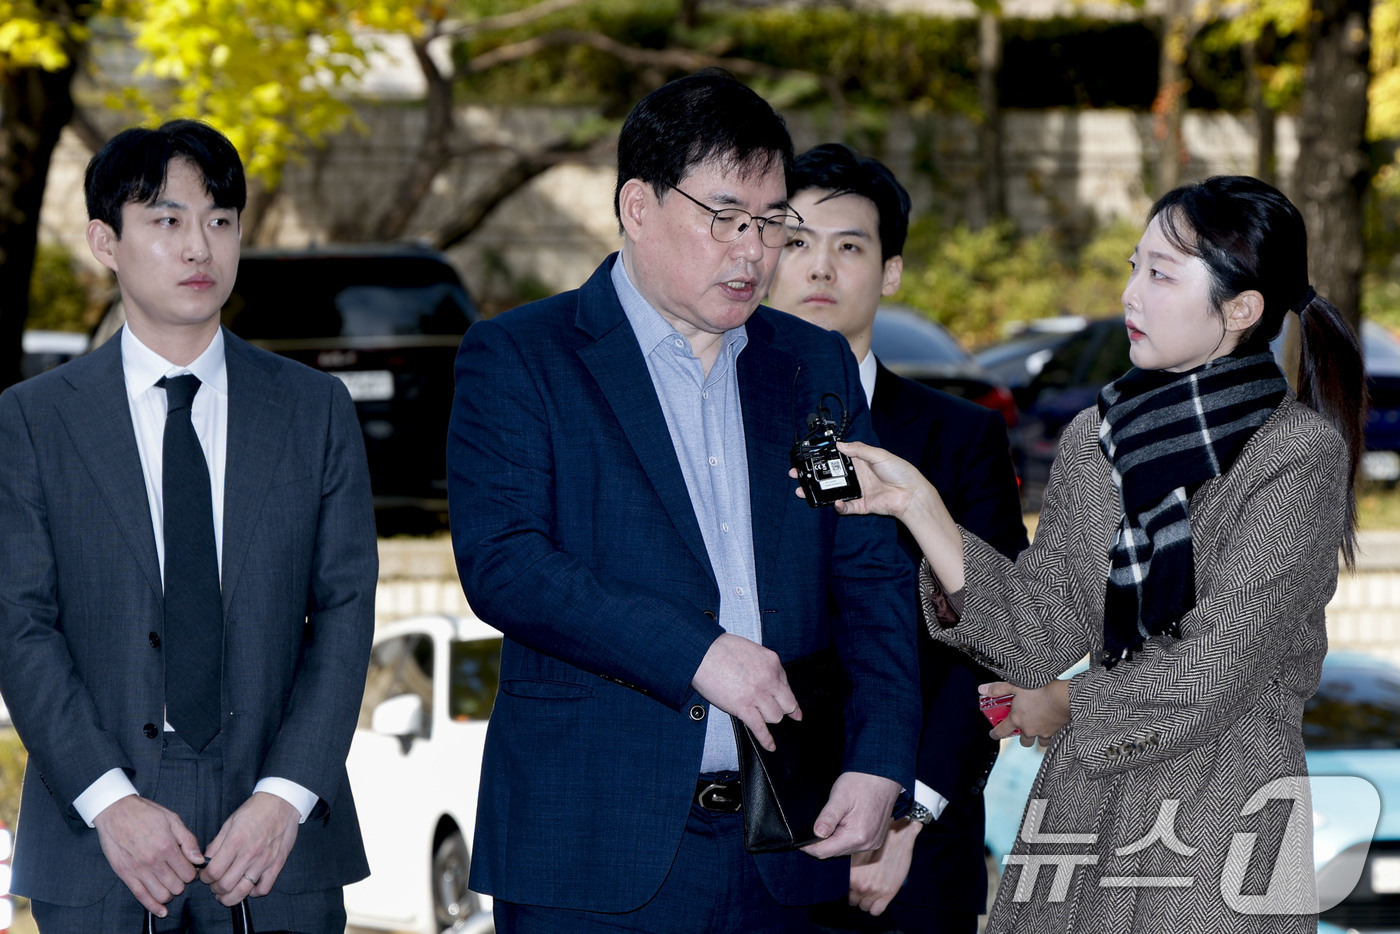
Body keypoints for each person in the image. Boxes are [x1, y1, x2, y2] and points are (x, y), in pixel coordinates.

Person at [817, 175, 1365, 934]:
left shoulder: (1295, 453)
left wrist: (1067, 705)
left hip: (1223, 822)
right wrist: (921, 509)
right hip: (1081, 816)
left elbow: (1216, 668)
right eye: (1134, 267)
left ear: (1241, 309)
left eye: (1161, 275)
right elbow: (1039, 633)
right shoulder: (1097, 437)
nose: (1130, 294)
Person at [448, 70, 921, 933]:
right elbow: (505, 562)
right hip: (591, 850)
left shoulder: (810, 365)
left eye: (771, 223)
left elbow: (871, 574)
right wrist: (696, 652)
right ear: (638, 207)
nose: (754, 252)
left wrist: (881, 757)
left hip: (784, 846)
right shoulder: (522, 356)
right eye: (726, 218)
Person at [0, 120, 378, 932]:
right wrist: (109, 801)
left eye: (220, 220)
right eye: (167, 220)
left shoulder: (313, 410)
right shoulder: (32, 421)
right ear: (105, 241)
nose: (200, 246)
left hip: (278, 827)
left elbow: (346, 613)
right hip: (99, 832)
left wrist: (286, 794)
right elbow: (18, 625)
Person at [766, 142, 1026, 933]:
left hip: (916, 853)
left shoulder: (963, 436)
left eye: (849, 247)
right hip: (752, 838)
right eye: (796, 241)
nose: (820, 267)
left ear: (891, 272)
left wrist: (907, 813)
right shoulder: (711, 426)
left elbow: (996, 641)